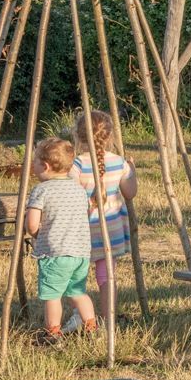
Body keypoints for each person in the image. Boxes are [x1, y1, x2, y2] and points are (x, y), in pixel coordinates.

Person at [25, 137, 97, 347]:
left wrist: (37, 234)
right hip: (80, 253)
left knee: (52, 296)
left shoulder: (42, 190)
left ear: (45, 166)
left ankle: (52, 333)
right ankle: (91, 326)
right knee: (78, 292)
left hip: (55, 253)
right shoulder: (78, 189)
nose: (34, 166)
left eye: (35, 161)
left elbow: (31, 224)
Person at [71, 109, 137, 317]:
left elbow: (72, 195)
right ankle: (109, 315)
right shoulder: (119, 162)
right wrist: (132, 171)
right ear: (109, 136)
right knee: (107, 274)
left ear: (78, 135)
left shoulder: (77, 164)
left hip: (83, 230)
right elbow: (130, 193)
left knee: (76, 274)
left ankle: (82, 315)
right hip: (111, 229)